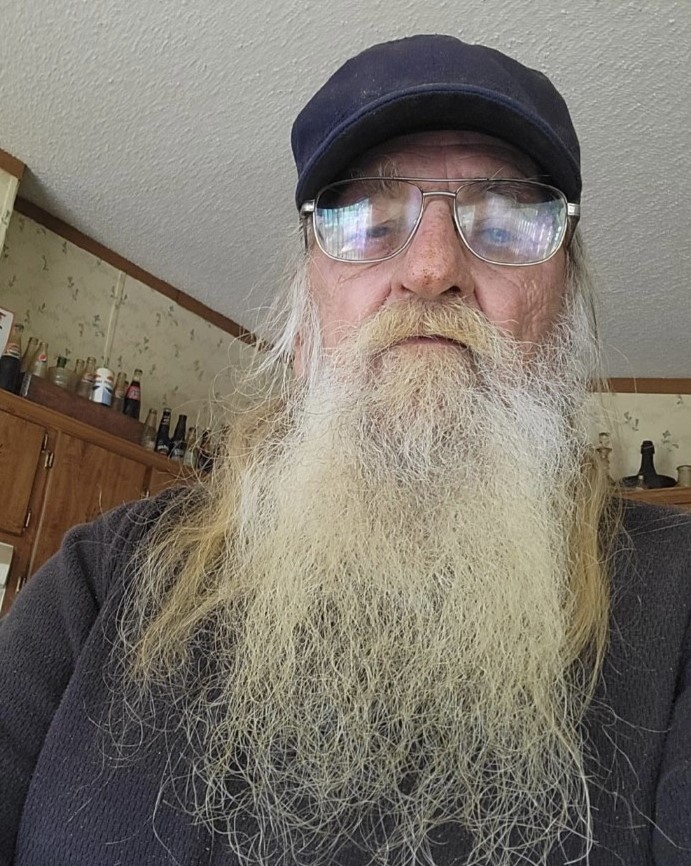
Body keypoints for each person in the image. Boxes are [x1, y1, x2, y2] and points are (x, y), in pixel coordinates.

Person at [1, 33, 690, 866]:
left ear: (564, 322)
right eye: (369, 220)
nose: (431, 268)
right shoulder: (98, 582)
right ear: (303, 330)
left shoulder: (679, 600)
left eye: (505, 221)